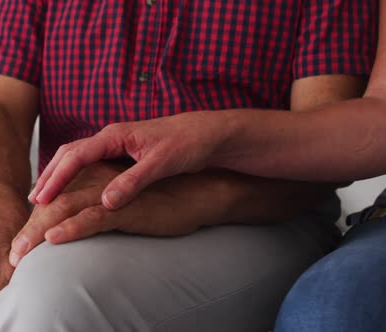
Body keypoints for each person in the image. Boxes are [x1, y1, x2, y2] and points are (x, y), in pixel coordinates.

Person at [0, 1, 377, 331]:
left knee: (52, 303)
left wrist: (168, 198)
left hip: (256, 217)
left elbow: (320, 146)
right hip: (51, 216)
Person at [30, 2, 386, 331]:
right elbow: (374, 120)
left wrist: (208, 150)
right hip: (70, 212)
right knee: (329, 312)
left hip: (267, 211)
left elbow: (335, 144)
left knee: (330, 313)